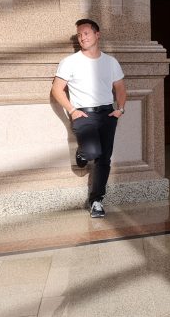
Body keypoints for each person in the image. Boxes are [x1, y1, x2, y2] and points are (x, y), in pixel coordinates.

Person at [51, 18, 127, 218]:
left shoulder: (110, 62)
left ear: (97, 35)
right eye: (79, 34)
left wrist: (120, 109)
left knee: (104, 159)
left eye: (86, 33)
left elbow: (119, 88)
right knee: (93, 151)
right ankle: (83, 153)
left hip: (107, 113)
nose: (82, 37)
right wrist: (72, 110)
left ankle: (96, 201)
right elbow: (57, 90)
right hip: (83, 113)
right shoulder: (70, 62)